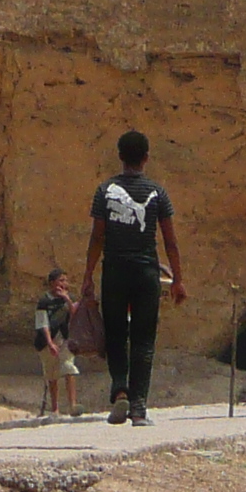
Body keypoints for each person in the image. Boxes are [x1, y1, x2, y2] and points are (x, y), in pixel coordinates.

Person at [82, 127, 185, 426]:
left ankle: (120, 391)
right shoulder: (157, 193)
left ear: (120, 157)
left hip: (114, 271)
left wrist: (88, 275)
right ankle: (139, 408)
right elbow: (170, 241)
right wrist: (178, 278)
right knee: (143, 339)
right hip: (146, 273)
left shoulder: (104, 191)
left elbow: (97, 238)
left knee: (115, 335)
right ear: (146, 158)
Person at [32, 267, 82, 419]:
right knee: (52, 373)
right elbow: (43, 323)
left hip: (65, 339)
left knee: (69, 367)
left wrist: (67, 299)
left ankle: (72, 405)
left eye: (65, 281)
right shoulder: (44, 301)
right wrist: (50, 343)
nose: (64, 284)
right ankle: (55, 409)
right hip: (48, 341)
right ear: (52, 283)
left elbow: (75, 314)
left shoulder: (68, 298)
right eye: (61, 280)